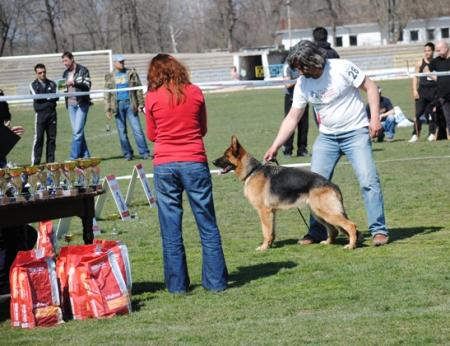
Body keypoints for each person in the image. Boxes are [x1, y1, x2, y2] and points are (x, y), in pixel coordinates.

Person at [263, 40, 389, 246]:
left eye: (301, 67)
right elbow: (293, 117)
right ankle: (318, 231)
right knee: (311, 186)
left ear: (314, 61)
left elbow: (371, 87)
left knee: (369, 181)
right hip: (327, 138)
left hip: (355, 133)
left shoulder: (341, 68)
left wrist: (374, 118)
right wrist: (275, 145)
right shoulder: (303, 83)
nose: (299, 72)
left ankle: (378, 230)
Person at [145, 53, 228, 293]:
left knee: (170, 228)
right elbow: (202, 129)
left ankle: (177, 286)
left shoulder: (152, 97)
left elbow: (152, 135)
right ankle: (215, 283)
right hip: (194, 161)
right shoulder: (195, 92)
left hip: (165, 164)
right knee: (207, 224)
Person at [104, 54, 151, 161]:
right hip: (117, 106)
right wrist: (108, 109)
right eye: (120, 62)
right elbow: (107, 94)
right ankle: (127, 154)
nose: (122, 63)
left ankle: (144, 153)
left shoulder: (131, 73)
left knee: (137, 129)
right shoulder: (109, 76)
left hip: (131, 104)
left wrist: (141, 104)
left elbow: (138, 89)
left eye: (123, 61)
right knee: (122, 131)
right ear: (114, 63)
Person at [62, 51, 91, 159]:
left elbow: (88, 85)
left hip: (81, 104)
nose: (64, 63)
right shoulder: (65, 74)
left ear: (72, 59)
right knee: (77, 132)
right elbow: (64, 89)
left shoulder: (83, 70)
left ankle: (73, 157)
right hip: (70, 105)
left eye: (66, 60)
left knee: (77, 132)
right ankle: (86, 155)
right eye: (63, 61)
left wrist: (74, 83)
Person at [29, 63, 59, 164]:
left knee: (52, 139)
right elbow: (37, 97)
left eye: (44, 72)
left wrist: (48, 97)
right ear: (36, 74)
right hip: (40, 115)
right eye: (40, 73)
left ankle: (50, 163)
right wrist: (50, 97)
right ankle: (35, 164)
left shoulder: (52, 84)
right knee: (39, 139)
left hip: (52, 114)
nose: (43, 74)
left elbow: (57, 96)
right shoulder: (33, 85)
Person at [409, 42, 438, 143]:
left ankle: (432, 133)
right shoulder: (420, 63)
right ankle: (415, 134)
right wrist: (414, 90)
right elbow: (415, 77)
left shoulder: (437, 62)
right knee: (417, 114)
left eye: (429, 51)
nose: (427, 53)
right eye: (425, 51)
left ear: (433, 51)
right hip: (422, 91)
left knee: (431, 114)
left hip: (434, 91)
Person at [282, 60, 309, 156]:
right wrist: (300, 78)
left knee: (304, 125)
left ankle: (302, 149)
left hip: (303, 97)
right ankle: (287, 150)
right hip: (290, 97)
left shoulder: (303, 65)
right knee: (291, 123)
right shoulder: (287, 66)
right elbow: (287, 84)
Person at [427, 40, 450, 140]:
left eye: (439, 50)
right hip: (443, 94)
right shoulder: (437, 60)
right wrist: (436, 78)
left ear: (446, 48)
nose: (437, 52)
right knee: (448, 116)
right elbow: (426, 70)